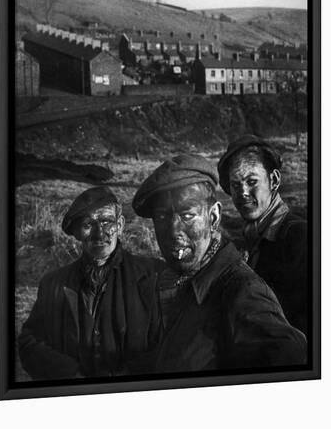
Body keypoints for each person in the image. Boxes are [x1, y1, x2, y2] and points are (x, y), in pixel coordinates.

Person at [132, 155, 306, 373]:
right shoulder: (177, 281)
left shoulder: (242, 291)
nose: (173, 231)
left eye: (187, 215)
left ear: (213, 217)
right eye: (162, 217)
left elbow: (293, 357)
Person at [19, 186, 162, 380]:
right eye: (88, 225)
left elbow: (170, 344)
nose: (98, 233)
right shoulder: (53, 284)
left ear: (120, 225)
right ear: (77, 233)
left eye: (106, 222)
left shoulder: (152, 276)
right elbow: (29, 342)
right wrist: (69, 374)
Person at [218, 135, 308, 334]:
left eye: (252, 181)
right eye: (235, 185)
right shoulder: (247, 241)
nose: (243, 192)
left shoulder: (301, 238)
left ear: (274, 180)